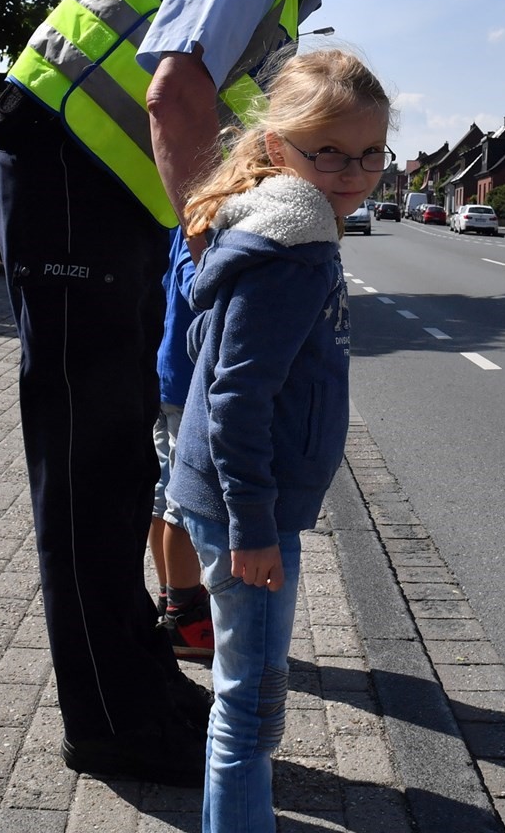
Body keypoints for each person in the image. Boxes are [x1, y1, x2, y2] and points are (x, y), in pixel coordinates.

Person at [0, 0, 458, 786]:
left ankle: (138, 689)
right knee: (88, 468)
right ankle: (114, 722)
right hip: (72, 180)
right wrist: (205, 241)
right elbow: (176, 93)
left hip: (97, 196)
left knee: (114, 461)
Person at [167, 47, 390, 832]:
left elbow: (209, 358)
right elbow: (237, 395)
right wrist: (253, 527)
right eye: (326, 151)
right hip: (245, 518)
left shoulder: (275, 223)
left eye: (369, 153)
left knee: (248, 694)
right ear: (275, 147)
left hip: (229, 502)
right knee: (251, 706)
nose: (352, 172)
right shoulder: (293, 250)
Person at [150, 228, 212, 661]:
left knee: (164, 494)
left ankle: (171, 601)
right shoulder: (205, 223)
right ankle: (184, 615)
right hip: (189, 382)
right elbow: (197, 289)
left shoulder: (184, 217)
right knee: (182, 503)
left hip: (169, 374)